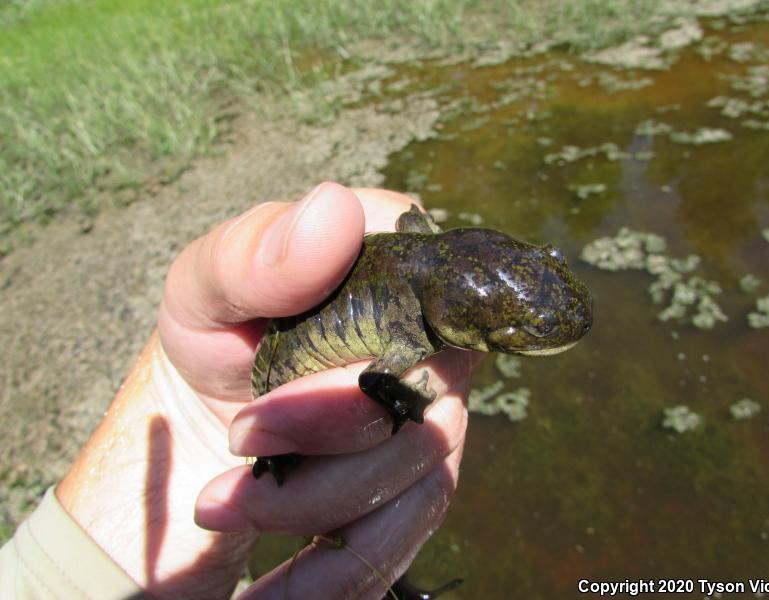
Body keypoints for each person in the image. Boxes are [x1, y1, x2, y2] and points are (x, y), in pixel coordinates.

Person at [0, 183, 478, 599]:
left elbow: (410, 219)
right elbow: (375, 380)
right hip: (271, 394)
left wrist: (196, 420)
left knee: (350, 509)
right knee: (315, 482)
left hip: (255, 409)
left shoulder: (426, 260)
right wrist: (410, 403)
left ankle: (393, 579)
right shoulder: (411, 326)